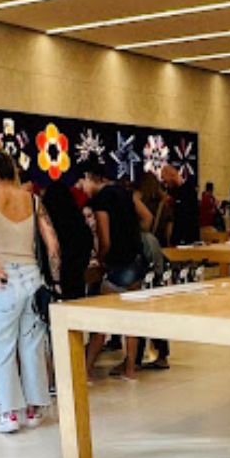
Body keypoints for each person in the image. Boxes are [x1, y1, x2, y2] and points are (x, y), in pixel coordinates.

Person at [0, 149, 59, 434]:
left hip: (5, 279)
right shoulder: (32, 199)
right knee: (32, 345)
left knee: (0, 345)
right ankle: (35, 409)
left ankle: (9, 413)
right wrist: (54, 278)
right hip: (33, 279)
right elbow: (52, 242)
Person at [80, 158, 145, 381]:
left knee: (101, 322)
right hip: (136, 260)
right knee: (132, 320)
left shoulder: (101, 200)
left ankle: (86, 370)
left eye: (83, 181)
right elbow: (144, 218)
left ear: (90, 177)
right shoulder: (124, 192)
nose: (82, 187)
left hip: (119, 263)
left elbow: (105, 239)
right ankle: (130, 370)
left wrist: (101, 258)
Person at [161, 163, 200, 246]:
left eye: (165, 179)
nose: (165, 183)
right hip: (176, 238)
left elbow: (188, 215)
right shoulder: (172, 192)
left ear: (172, 175)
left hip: (188, 238)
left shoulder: (189, 190)